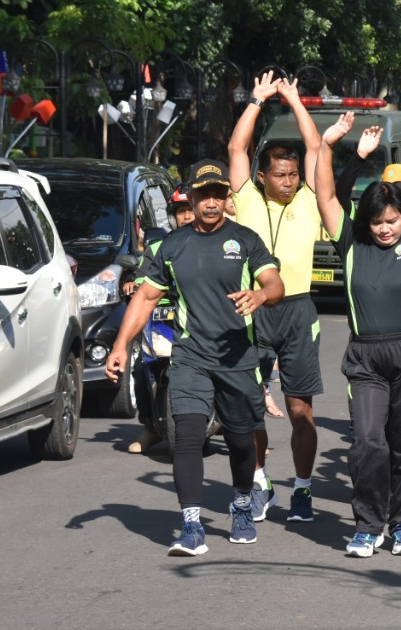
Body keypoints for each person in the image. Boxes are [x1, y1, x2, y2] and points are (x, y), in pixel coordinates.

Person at [105, 159, 285, 558]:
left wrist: (259, 294)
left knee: (241, 441)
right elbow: (146, 297)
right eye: (204, 195)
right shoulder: (173, 245)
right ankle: (191, 525)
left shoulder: (246, 239)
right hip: (190, 356)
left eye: (218, 194)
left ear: (226, 197)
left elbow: (275, 282)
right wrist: (120, 345)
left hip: (237, 357)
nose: (211, 202)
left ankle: (241, 504)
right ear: (192, 197)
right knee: (185, 435)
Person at [316, 101, 401, 558]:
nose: (385, 229)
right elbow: (327, 197)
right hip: (366, 358)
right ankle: (369, 525)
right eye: (376, 222)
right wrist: (336, 147)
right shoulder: (350, 244)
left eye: (392, 221)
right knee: (369, 442)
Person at [227, 72, 325, 524]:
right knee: (249, 405)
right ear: (262, 176)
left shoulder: (307, 201)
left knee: (300, 407)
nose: (288, 181)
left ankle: (302, 489)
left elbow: (316, 148)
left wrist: (292, 99)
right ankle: (262, 481)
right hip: (253, 307)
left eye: (292, 175)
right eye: (279, 175)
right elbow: (235, 150)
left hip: (299, 309)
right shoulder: (246, 200)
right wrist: (256, 100)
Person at [127, 185, 194, 455]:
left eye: (191, 209)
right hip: (164, 319)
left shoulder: (219, 244)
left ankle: (246, 429)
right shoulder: (157, 246)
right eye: (181, 211)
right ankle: (151, 428)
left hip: (205, 319)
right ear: (173, 216)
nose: (187, 216)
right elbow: (144, 280)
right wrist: (134, 285)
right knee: (143, 365)